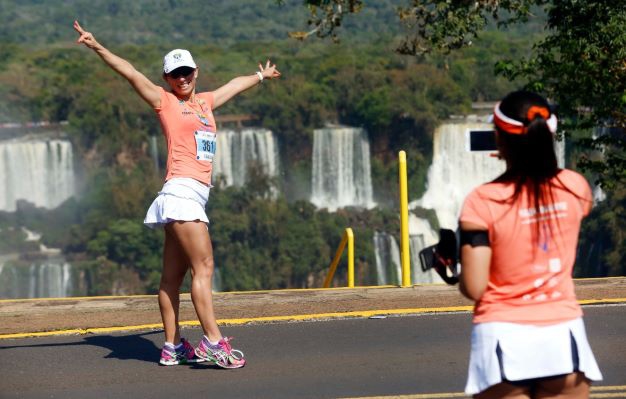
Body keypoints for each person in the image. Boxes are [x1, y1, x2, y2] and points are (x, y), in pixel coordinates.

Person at [73, 20, 281, 368]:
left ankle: (171, 347)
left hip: (188, 197)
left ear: (195, 72)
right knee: (204, 267)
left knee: (172, 278)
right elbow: (130, 72)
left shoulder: (206, 103)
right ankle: (214, 342)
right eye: (175, 75)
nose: (182, 79)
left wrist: (260, 77)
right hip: (182, 193)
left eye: (186, 72)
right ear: (167, 78)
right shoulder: (165, 102)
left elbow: (234, 85)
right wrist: (96, 46)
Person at [458, 90, 602, 398]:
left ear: (500, 140)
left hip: (501, 339)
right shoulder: (576, 188)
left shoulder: (482, 202)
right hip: (562, 337)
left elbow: (474, 286)